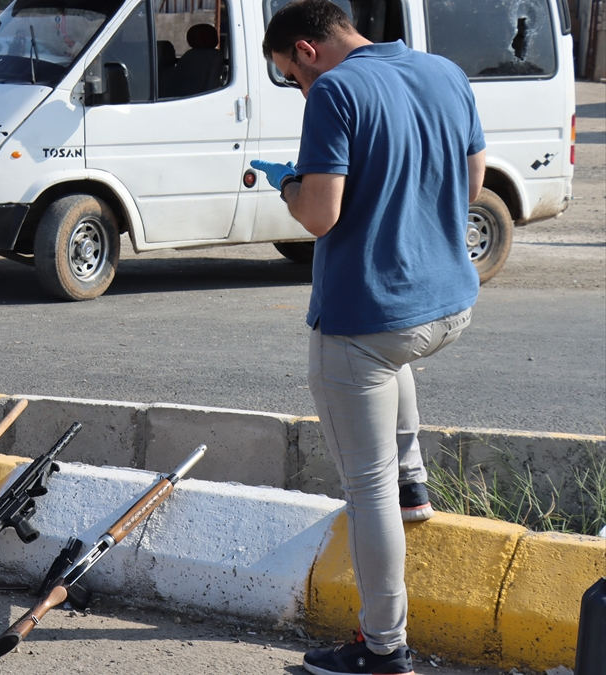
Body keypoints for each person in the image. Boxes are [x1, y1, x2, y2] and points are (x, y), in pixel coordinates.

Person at [251, 2, 484, 674]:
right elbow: (469, 181)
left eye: (289, 75)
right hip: (448, 308)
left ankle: (384, 648)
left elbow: (321, 216)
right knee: (394, 367)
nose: (298, 88)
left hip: (365, 320)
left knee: (366, 488)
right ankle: (415, 480)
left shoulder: (335, 92)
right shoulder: (444, 72)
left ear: (308, 50)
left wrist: (289, 184)